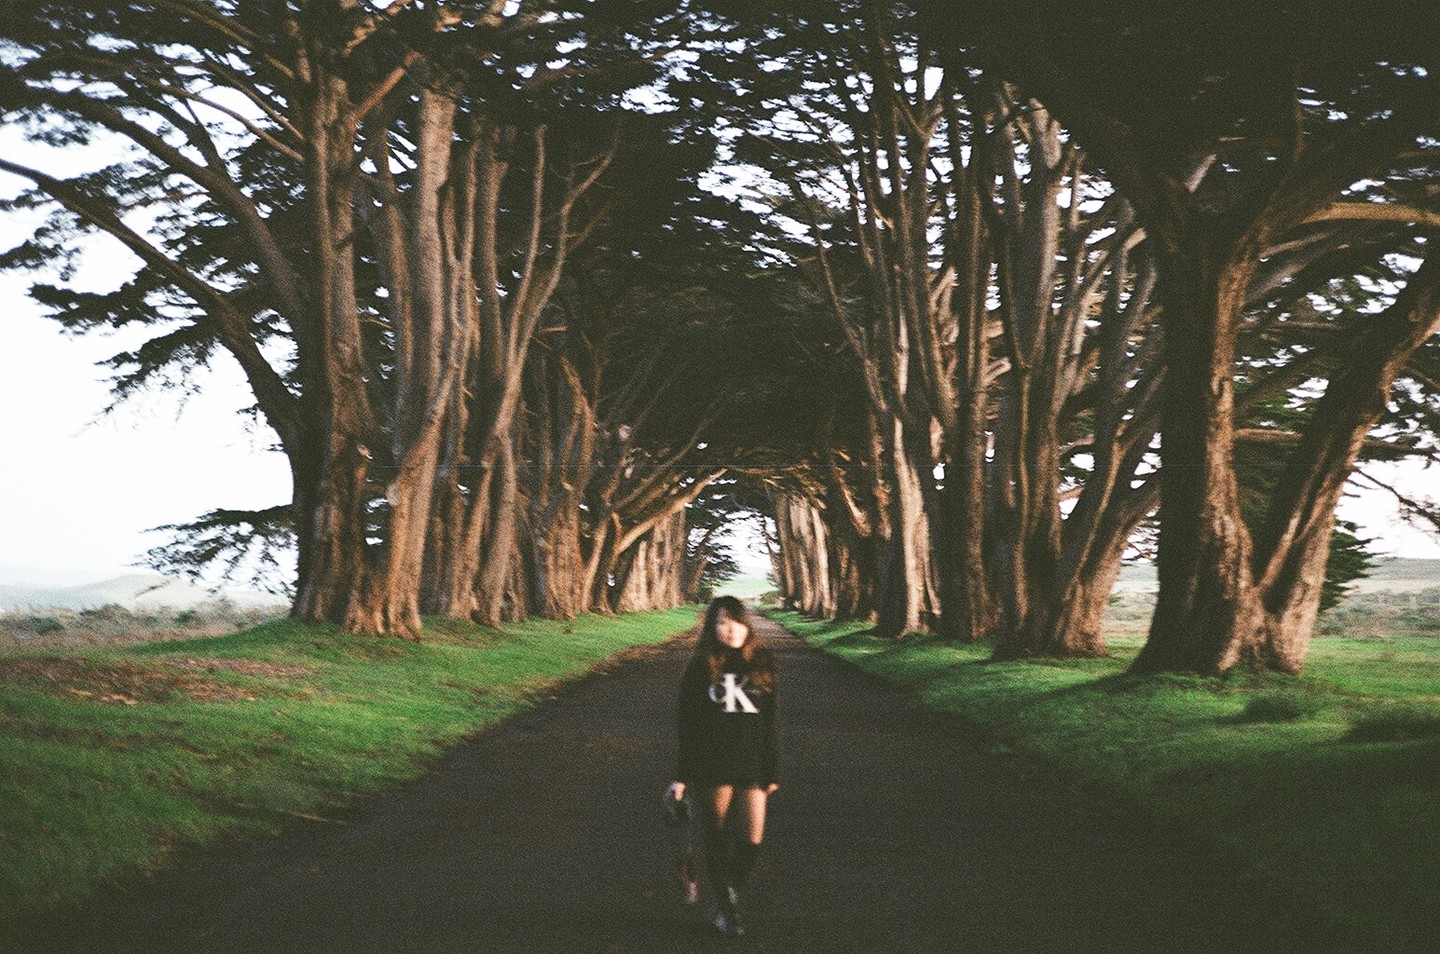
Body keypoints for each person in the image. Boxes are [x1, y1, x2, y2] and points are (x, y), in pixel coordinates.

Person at [667, 595, 779, 938]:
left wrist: (772, 771)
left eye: (736, 621)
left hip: (752, 765)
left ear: (747, 624)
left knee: (752, 840)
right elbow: (687, 728)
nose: (730, 630)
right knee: (714, 838)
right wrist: (681, 777)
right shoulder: (701, 668)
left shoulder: (763, 664)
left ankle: (726, 891)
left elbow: (770, 723)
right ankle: (728, 911)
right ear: (711, 628)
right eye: (721, 622)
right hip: (711, 764)